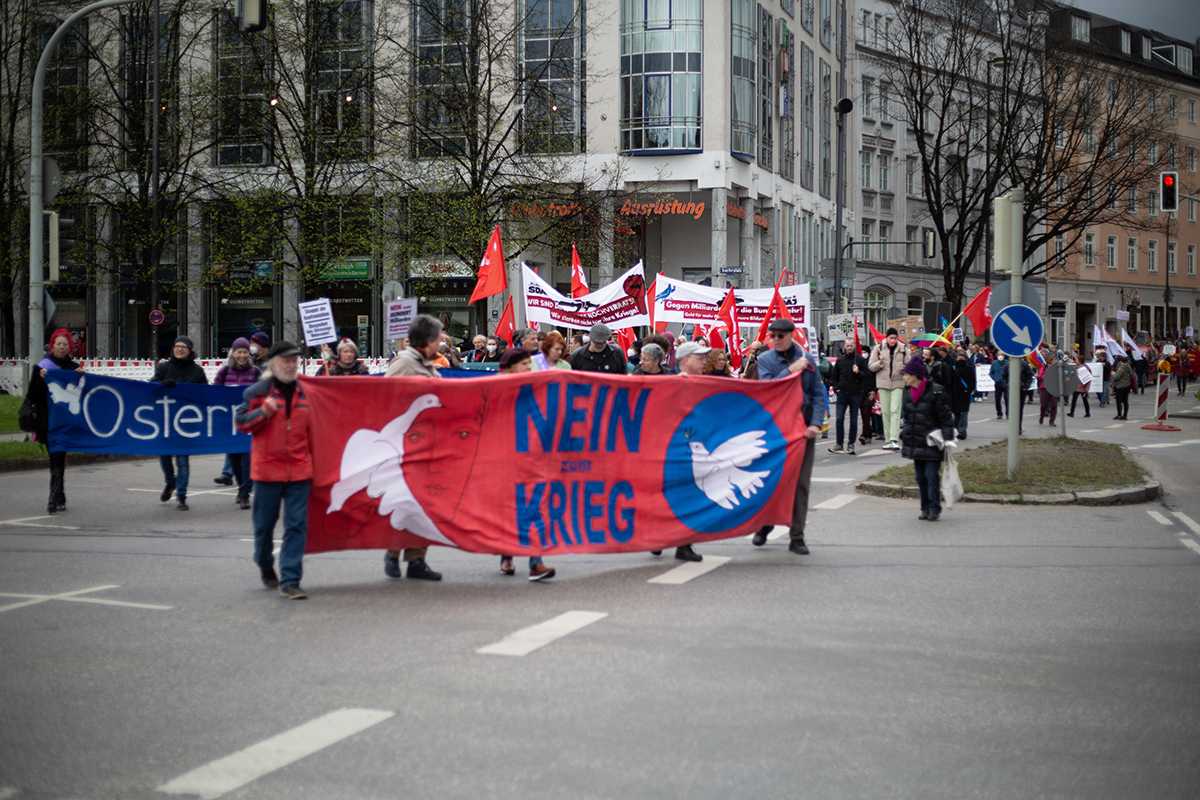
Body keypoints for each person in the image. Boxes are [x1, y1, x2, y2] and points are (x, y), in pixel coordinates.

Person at [235, 341, 313, 599]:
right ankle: (264, 562)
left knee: (297, 525)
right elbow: (241, 423)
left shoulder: (307, 391)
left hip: (300, 471)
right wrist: (263, 413)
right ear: (272, 363)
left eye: (294, 361)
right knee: (264, 527)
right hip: (267, 472)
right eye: (286, 361)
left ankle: (290, 580)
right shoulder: (256, 391)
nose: (291, 365)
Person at [381, 315, 445, 581]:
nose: (441, 342)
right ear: (428, 340)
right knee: (405, 502)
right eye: (439, 337)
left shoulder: (427, 364)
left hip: (426, 445)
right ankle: (393, 552)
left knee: (424, 503)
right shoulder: (405, 363)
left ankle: (417, 559)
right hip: (405, 446)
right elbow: (385, 398)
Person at [750, 318, 822, 555]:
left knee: (800, 484)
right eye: (773, 336)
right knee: (772, 480)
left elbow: (817, 393)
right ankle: (765, 525)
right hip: (777, 430)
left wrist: (815, 424)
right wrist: (790, 370)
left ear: (791, 336)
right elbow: (769, 388)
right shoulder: (765, 359)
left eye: (781, 335)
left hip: (802, 428)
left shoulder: (807, 359)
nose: (776, 340)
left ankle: (797, 536)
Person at [496, 348, 556, 580]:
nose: (528, 369)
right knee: (509, 509)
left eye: (530, 365)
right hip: (504, 458)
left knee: (535, 506)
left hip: (532, 456)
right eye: (523, 365)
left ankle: (535, 562)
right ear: (510, 367)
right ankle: (506, 555)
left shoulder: (536, 388)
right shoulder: (496, 388)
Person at [25, 328, 85, 514]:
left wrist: (82, 376)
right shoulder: (42, 367)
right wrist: (41, 380)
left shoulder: (73, 368)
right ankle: (58, 495)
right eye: (58, 344)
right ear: (52, 346)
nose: (61, 347)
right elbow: (32, 395)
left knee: (59, 455)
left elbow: (83, 392)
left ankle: (55, 496)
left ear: (70, 347)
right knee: (55, 456)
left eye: (65, 344)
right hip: (48, 420)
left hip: (66, 421)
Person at [151, 336, 208, 510]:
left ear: (190, 350)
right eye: (177, 346)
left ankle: (181, 496)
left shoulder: (197, 371)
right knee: (164, 456)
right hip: (166, 420)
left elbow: (206, 394)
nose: (180, 349)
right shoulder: (164, 368)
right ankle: (170, 482)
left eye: (184, 346)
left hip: (186, 422)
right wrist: (162, 384)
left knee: (182, 461)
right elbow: (150, 387)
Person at [898, 356, 956, 522]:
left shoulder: (936, 392)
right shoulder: (907, 392)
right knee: (920, 478)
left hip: (932, 442)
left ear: (914, 376)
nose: (904, 377)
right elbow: (909, 418)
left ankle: (934, 508)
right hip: (916, 441)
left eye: (906, 374)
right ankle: (925, 508)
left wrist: (947, 437)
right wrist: (905, 433)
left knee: (931, 476)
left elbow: (945, 417)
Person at [212, 337, 262, 509]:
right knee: (234, 460)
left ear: (249, 354)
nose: (242, 355)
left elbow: (264, 391)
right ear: (233, 353)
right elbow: (214, 393)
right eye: (239, 352)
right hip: (230, 423)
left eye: (245, 352)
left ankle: (245, 493)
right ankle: (242, 487)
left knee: (247, 459)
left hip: (249, 422)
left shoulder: (256, 372)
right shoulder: (224, 371)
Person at [868, 328, 909, 451]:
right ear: (886, 338)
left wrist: (905, 368)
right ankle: (888, 440)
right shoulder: (879, 348)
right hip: (883, 384)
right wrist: (880, 362)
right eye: (891, 338)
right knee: (885, 412)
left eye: (895, 338)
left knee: (895, 410)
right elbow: (871, 366)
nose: (893, 340)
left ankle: (894, 439)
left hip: (898, 383)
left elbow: (911, 366)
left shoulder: (903, 349)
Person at [828, 339, 868, 455]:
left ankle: (851, 444)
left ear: (854, 346)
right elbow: (834, 376)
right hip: (842, 394)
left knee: (853, 420)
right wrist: (837, 389)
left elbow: (866, 376)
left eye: (851, 346)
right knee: (839, 419)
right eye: (847, 346)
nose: (849, 348)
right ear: (844, 346)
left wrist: (858, 372)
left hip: (855, 394)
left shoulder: (860, 360)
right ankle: (839, 444)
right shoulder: (840, 360)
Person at [950, 346, 976, 439]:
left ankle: (962, 431)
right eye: (959, 358)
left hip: (964, 394)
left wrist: (968, 390)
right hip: (955, 394)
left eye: (962, 358)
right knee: (956, 414)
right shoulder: (953, 368)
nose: (960, 360)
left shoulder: (969, 368)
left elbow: (972, 381)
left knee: (963, 413)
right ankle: (957, 429)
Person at [1037, 350, 1059, 427]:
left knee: (1054, 405)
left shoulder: (1057, 368)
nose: (1056, 361)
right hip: (1045, 387)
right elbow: (1040, 377)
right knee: (1044, 404)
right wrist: (1048, 373)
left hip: (1054, 388)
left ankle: (1052, 420)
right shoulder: (1044, 368)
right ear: (1051, 361)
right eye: (1054, 360)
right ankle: (1042, 416)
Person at [1112, 354, 1133, 420]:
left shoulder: (1121, 368)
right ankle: (1125, 415)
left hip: (1120, 386)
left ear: (1121, 361)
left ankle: (1119, 415)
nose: (1119, 363)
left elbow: (1116, 377)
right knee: (1125, 401)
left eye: (1119, 362)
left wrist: (1113, 374)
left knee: (1119, 401)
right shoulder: (1128, 367)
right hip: (1127, 385)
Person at [989, 352, 1009, 419]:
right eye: (999, 355)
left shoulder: (1008, 363)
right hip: (997, 384)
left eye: (1002, 355)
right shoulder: (994, 363)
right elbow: (991, 373)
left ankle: (1008, 414)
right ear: (997, 355)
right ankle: (999, 413)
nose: (1001, 356)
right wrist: (995, 378)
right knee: (997, 399)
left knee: (1007, 399)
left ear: (1004, 356)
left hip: (1006, 384)